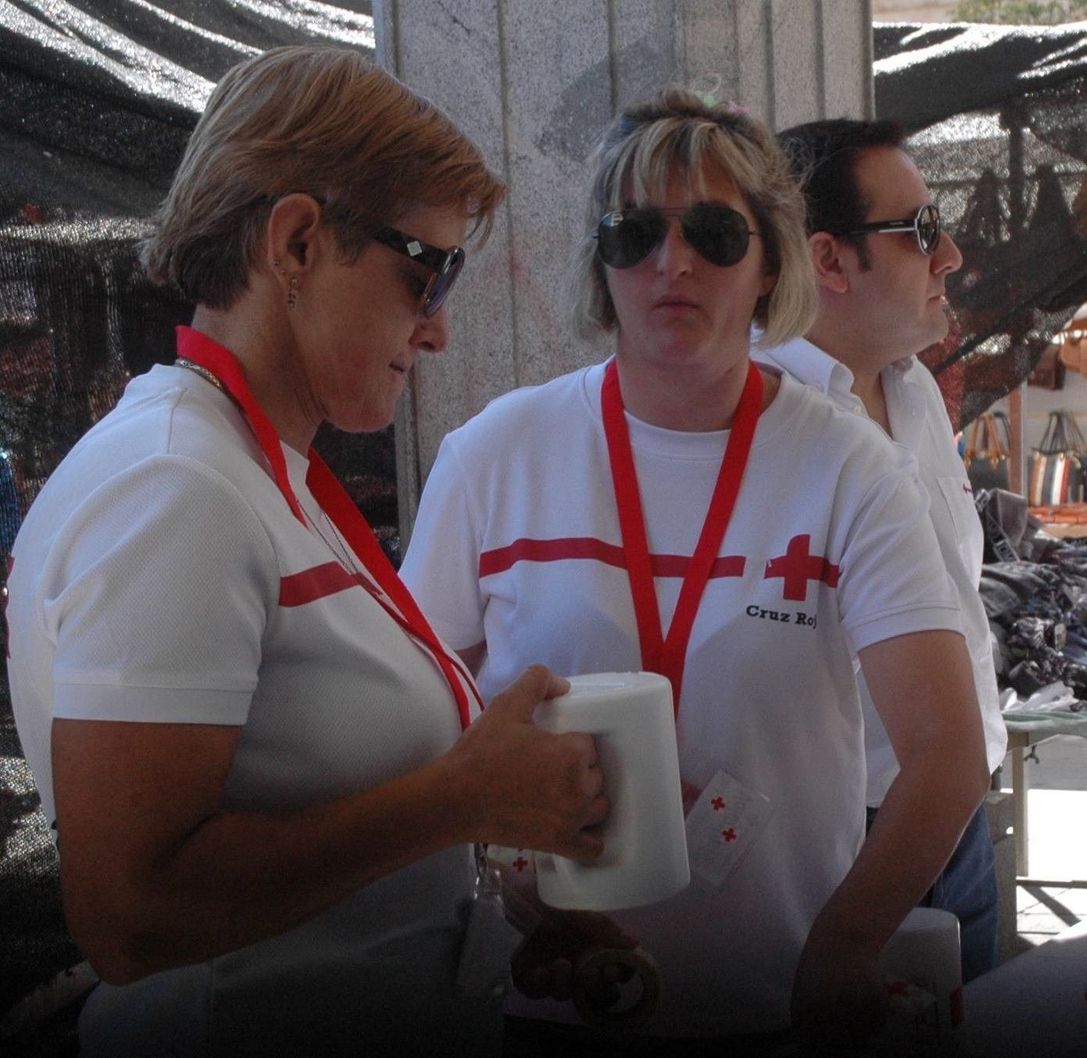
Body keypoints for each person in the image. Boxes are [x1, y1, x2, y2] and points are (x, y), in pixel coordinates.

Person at [3, 47, 614, 1057]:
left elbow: (319, 841)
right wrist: (462, 794)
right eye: (428, 270)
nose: (440, 330)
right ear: (295, 240)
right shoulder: (179, 488)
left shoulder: (244, 467)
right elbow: (130, 912)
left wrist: (480, 925)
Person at [398, 88, 988, 1050]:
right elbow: (423, 733)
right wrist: (502, 867)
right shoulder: (493, 458)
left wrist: (842, 950)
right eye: (634, 234)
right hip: (556, 1000)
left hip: (779, 1009)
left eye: (715, 233)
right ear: (604, 263)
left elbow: (946, 753)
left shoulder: (845, 466)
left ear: (770, 265)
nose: (671, 263)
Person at [757, 117, 1008, 982]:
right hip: (849, 838)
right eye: (922, 231)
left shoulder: (915, 391)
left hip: (964, 824)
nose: (953, 255)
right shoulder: (755, 420)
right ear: (828, 261)